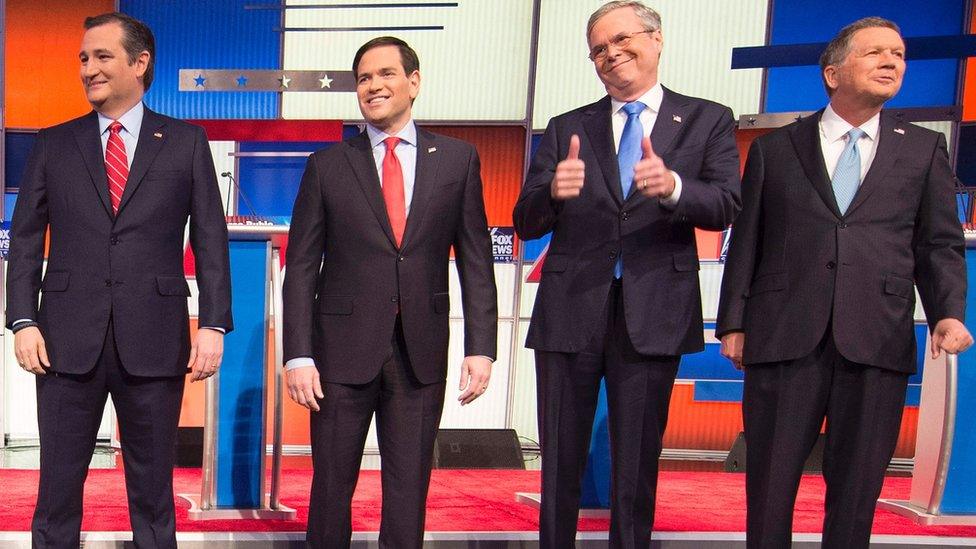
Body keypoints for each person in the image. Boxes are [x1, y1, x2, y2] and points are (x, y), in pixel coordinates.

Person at [716, 17, 973, 549]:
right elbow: (748, 241)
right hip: (783, 335)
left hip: (877, 337)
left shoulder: (923, 150)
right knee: (769, 484)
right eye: (876, 52)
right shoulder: (776, 149)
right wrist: (734, 323)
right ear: (832, 73)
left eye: (898, 54)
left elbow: (937, 243)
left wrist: (948, 312)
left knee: (857, 490)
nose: (892, 62)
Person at [513, 1, 741, 546]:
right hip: (571, 310)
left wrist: (676, 188)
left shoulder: (708, 118)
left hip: (654, 310)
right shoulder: (569, 126)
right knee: (560, 456)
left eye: (621, 40)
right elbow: (524, 219)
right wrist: (552, 192)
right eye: (598, 48)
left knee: (637, 457)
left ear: (656, 39)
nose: (611, 54)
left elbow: (728, 204)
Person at [5, 12, 232, 548]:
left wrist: (214, 324)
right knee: (57, 489)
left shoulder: (185, 142)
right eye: (84, 58)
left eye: (102, 56)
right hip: (62, 341)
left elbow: (210, 241)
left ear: (140, 62)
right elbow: (27, 239)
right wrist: (21, 319)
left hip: (154, 338)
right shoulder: (53, 143)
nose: (88, 68)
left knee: (152, 493)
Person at [282, 36, 497, 548]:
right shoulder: (328, 165)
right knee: (331, 487)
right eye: (363, 78)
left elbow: (475, 259)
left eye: (385, 74)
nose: (373, 86)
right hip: (339, 354)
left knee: (409, 489)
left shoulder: (458, 161)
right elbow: (302, 266)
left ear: (413, 82)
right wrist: (298, 355)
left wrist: (481, 348)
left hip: (419, 353)